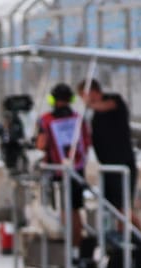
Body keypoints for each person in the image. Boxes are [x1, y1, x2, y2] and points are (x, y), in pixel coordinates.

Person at [79, 78, 140, 268]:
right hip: (107, 167)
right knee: (113, 208)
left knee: (123, 208)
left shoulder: (114, 101)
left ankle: (139, 242)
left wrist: (87, 105)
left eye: (85, 96)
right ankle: (125, 245)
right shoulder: (94, 114)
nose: (85, 101)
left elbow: (106, 106)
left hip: (122, 164)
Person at [34, 83, 90, 250]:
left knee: (65, 210)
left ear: (52, 99)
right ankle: (77, 249)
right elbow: (87, 142)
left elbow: (41, 144)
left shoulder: (46, 120)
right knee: (76, 210)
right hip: (78, 169)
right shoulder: (78, 118)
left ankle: (69, 250)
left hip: (58, 172)